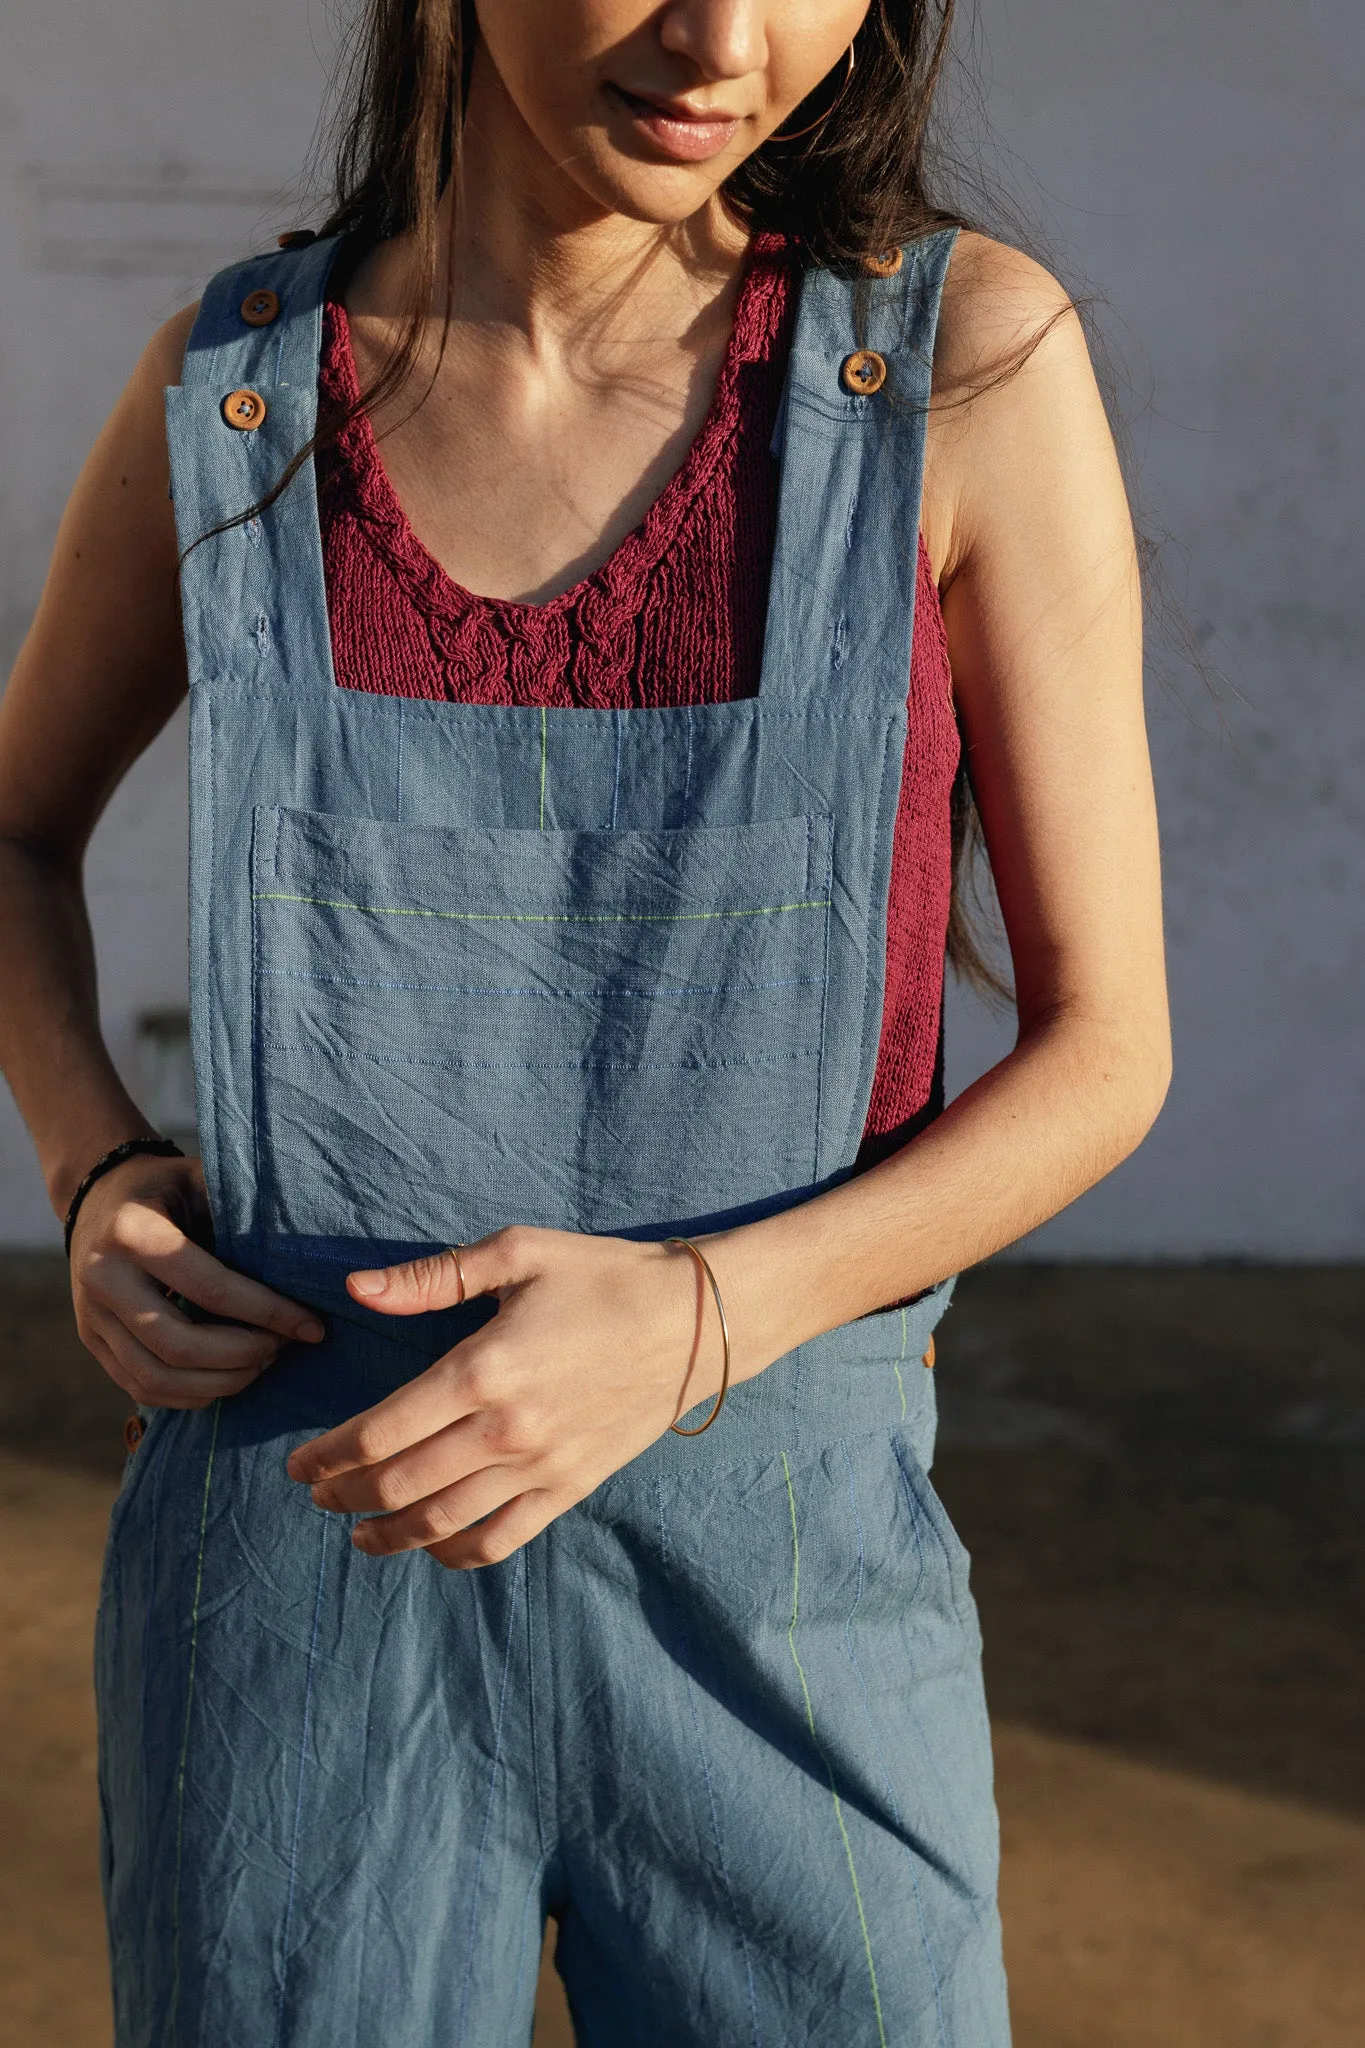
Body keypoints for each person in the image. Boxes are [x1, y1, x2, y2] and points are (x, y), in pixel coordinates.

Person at [0, 2, 1169, 2042]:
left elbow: (1104, 1049)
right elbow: (14, 827)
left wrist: (702, 1314)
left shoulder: (959, 371)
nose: (725, 36)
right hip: (297, 1577)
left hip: (785, 1596)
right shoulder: (244, 399)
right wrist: (95, 1162)